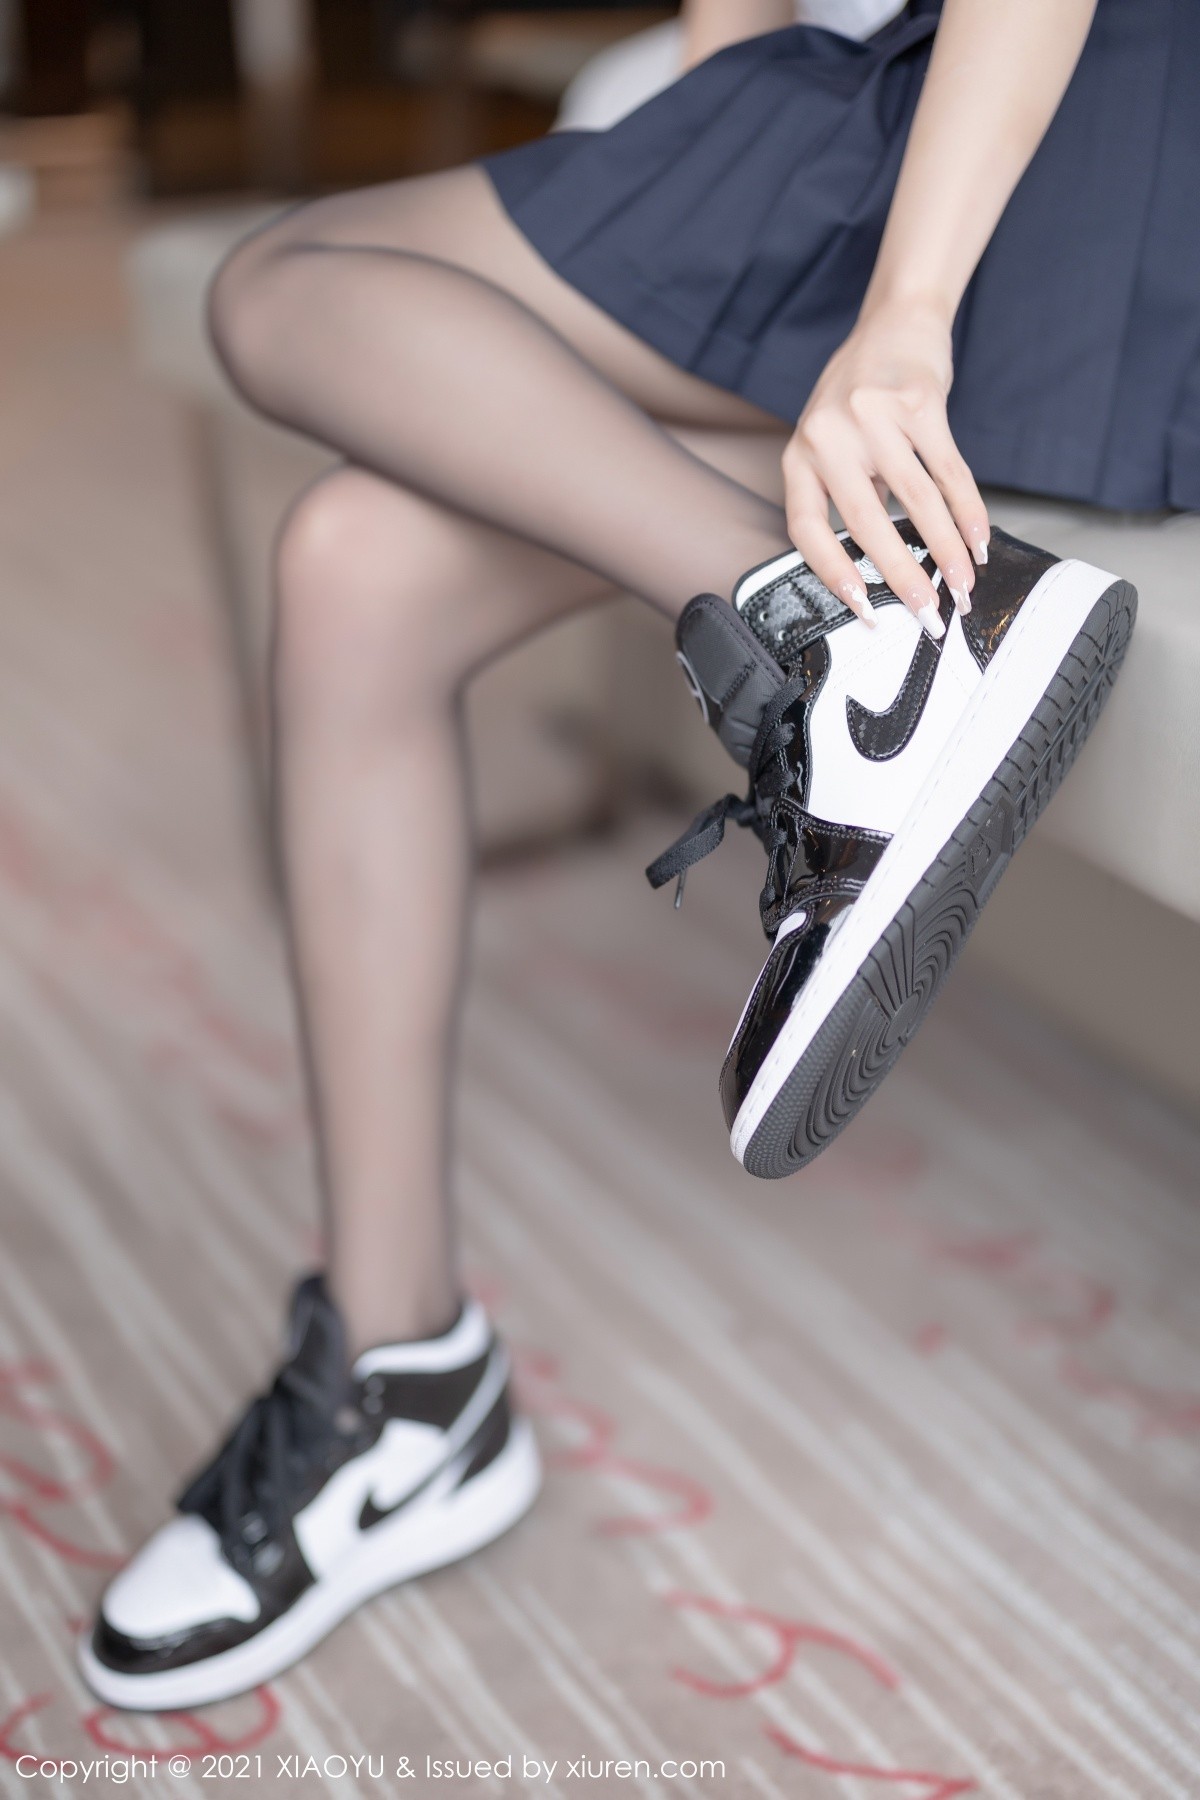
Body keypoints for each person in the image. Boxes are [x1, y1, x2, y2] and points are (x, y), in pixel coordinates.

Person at [79, 0, 1190, 1710]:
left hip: (1070, 152)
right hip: (1034, 236)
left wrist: (899, 319)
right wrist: (707, 133)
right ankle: (402, 1377)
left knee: (283, 286)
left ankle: (836, 661)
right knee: (358, 563)